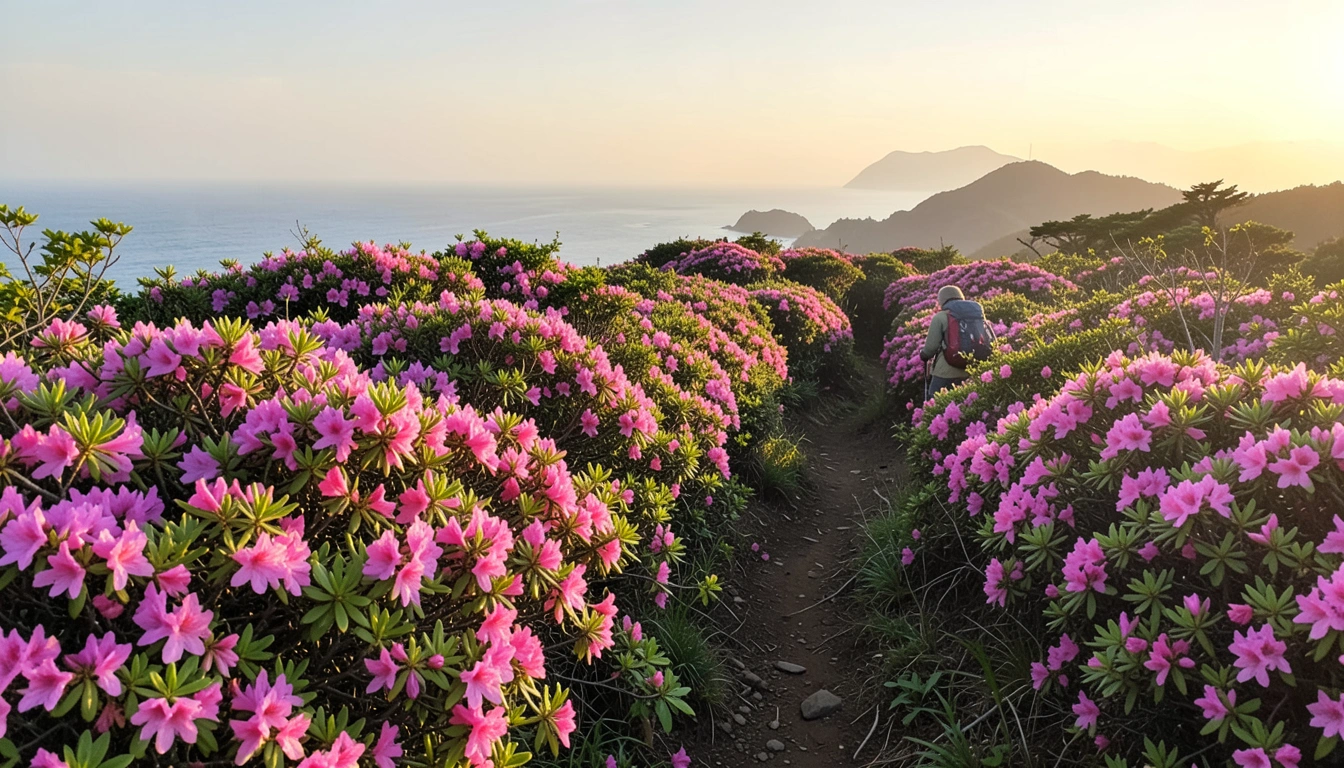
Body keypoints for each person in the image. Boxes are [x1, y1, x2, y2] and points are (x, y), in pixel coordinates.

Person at [918, 285, 994, 398]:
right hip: (971, 372)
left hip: (945, 373)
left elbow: (930, 348)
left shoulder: (941, 317)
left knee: (934, 405)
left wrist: (923, 355)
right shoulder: (976, 315)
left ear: (942, 300)